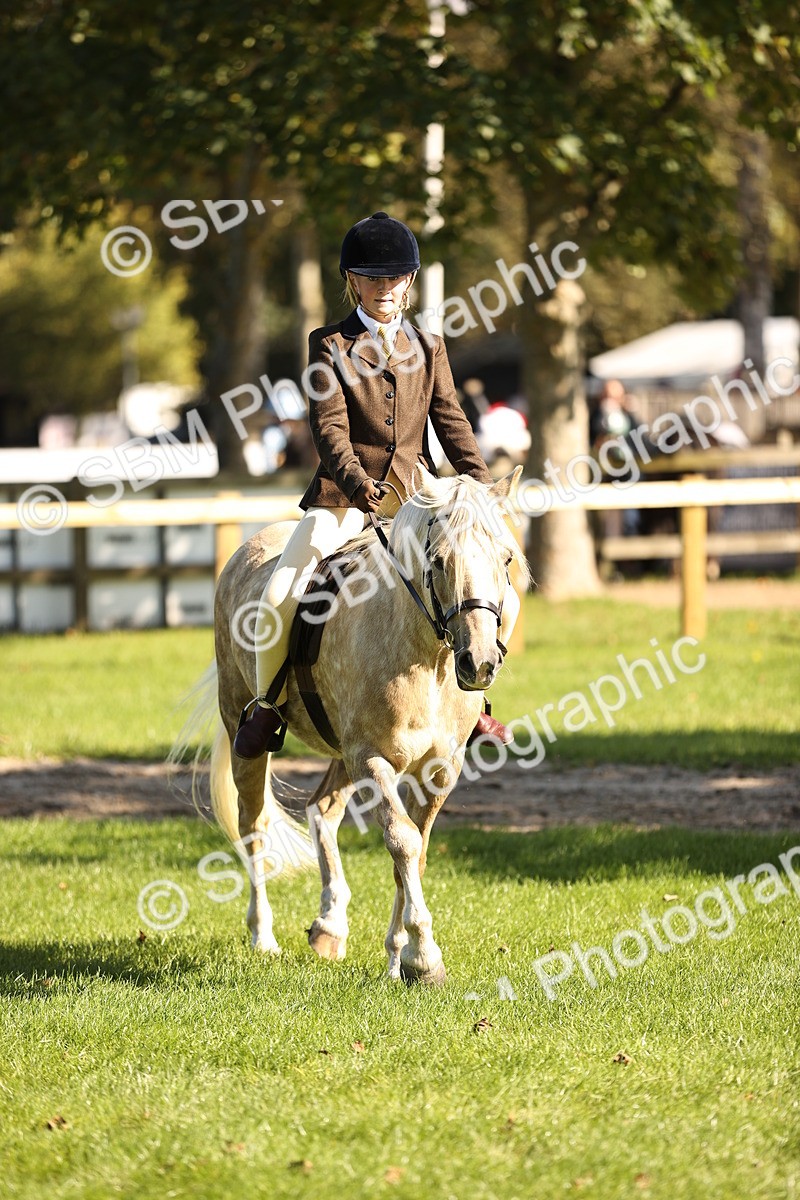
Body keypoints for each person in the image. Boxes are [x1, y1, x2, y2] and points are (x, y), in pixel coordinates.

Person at [234, 211, 518, 758]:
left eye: (393, 278)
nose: (383, 288)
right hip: (343, 498)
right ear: (352, 282)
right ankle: (268, 707)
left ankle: (475, 702)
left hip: (418, 498)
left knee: (485, 585)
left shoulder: (429, 347)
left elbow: (452, 421)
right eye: (371, 278)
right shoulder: (329, 344)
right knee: (278, 592)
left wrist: (479, 488)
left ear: (408, 282)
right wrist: (359, 483)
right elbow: (329, 428)